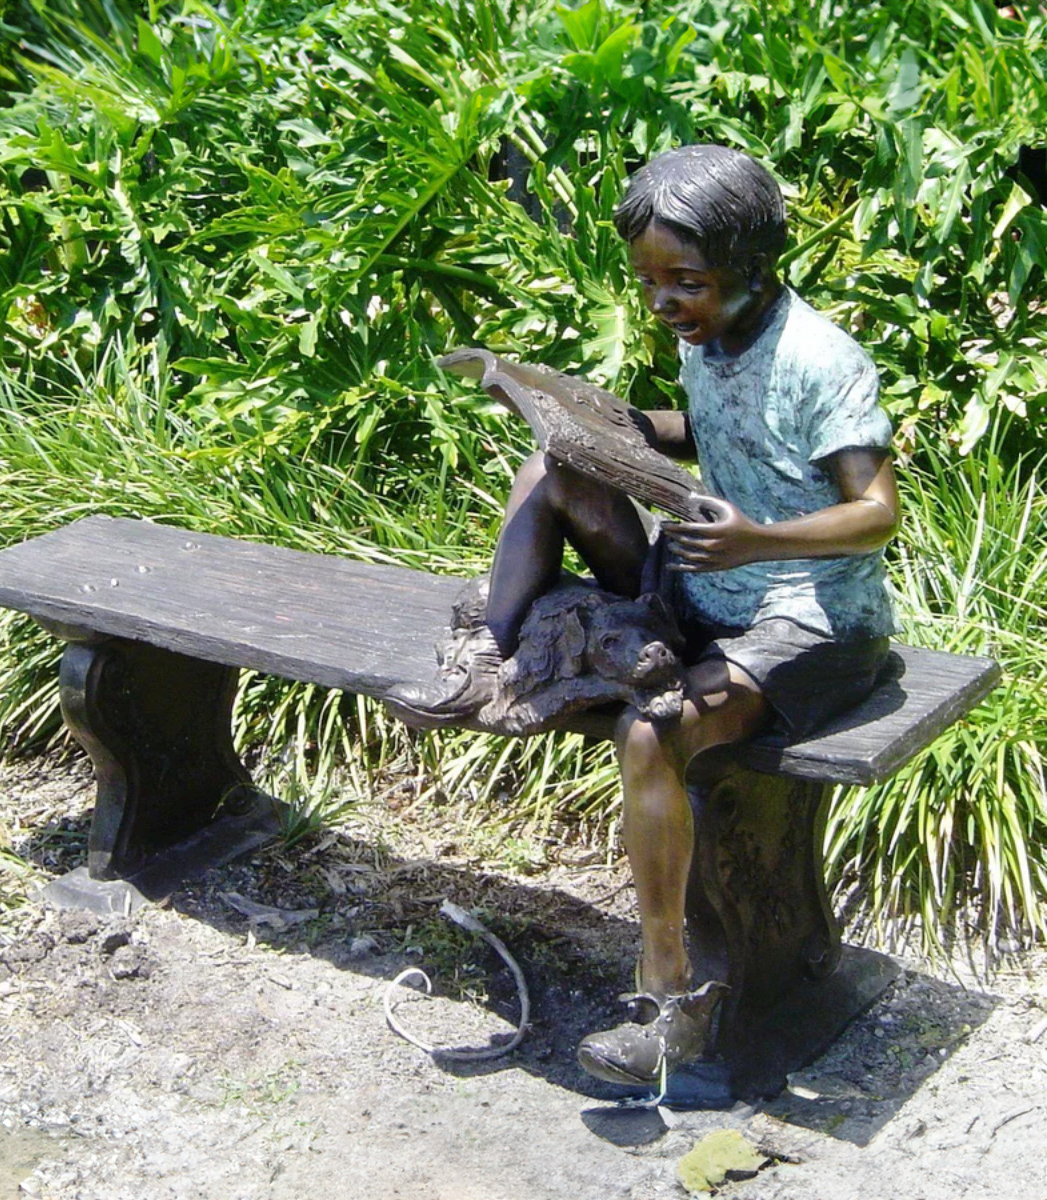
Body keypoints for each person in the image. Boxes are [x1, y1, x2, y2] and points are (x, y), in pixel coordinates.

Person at [386, 144, 900, 1085]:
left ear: (754, 262)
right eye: (652, 283)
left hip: (809, 617)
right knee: (556, 465)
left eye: (687, 282)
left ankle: (671, 1000)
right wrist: (613, 425)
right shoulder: (707, 332)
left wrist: (758, 541)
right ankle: (489, 658)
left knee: (651, 733)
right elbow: (717, 429)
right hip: (705, 580)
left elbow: (875, 514)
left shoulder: (822, 359)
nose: (665, 303)